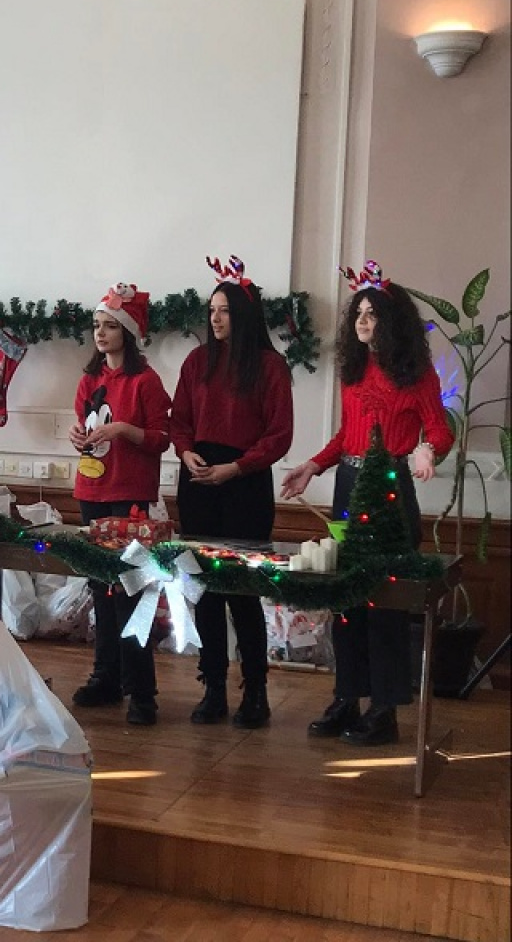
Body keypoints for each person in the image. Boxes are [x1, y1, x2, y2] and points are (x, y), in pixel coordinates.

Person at [281, 261, 453, 746]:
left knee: (385, 602)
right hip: (348, 485)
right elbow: (347, 436)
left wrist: (427, 450)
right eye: (357, 312)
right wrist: (313, 466)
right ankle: (347, 697)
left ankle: (384, 709)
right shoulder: (353, 371)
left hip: (392, 486)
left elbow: (440, 430)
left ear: (391, 321)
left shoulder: (416, 375)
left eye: (372, 313)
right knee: (347, 597)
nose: (361, 320)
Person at [170, 255, 293, 729]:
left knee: (242, 591)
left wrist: (236, 468)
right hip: (200, 480)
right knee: (205, 590)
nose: (215, 318)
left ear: (243, 315)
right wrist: (186, 453)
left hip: (244, 485)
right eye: (212, 310)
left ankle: (255, 691)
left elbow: (278, 435)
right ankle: (214, 687)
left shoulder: (269, 366)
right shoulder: (196, 361)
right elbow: (179, 420)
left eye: (224, 310)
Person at [68, 284, 172, 726]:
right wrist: (77, 436)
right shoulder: (89, 381)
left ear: (127, 333)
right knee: (100, 589)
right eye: (97, 325)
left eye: (110, 326)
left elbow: (161, 438)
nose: (100, 333)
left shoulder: (145, 381)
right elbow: (84, 429)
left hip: (128, 496)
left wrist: (125, 431)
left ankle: (142, 691)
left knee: (131, 591)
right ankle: (105, 676)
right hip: (91, 492)